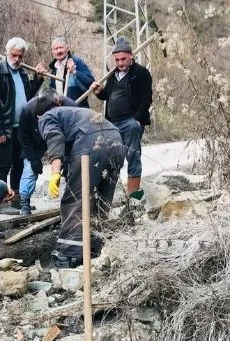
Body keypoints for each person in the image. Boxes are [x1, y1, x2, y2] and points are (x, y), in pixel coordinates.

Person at [30, 90, 125, 269]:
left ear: (38, 115)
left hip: (92, 145)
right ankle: (96, 246)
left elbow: (54, 137)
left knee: (75, 199)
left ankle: (68, 254)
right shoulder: (75, 112)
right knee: (101, 200)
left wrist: (55, 172)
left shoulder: (46, 116)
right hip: (117, 141)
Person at [0, 37, 44, 215]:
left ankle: (15, 199)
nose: (16, 59)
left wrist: (38, 79)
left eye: (20, 56)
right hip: (2, 127)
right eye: (13, 55)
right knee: (3, 165)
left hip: (19, 127)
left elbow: (28, 94)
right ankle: (0, 201)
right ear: (7, 53)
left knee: (18, 163)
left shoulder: (22, 73)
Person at [89, 37, 153, 198]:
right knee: (111, 158)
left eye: (123, 59)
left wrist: (137, 121)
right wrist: (98, 91)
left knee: (133, 155)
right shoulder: (113, 75)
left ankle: (134, 198)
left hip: (131, 123)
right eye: (117, 60)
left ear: (131, 56)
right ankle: (106, 197)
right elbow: (107, 96)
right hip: (112, 123)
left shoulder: (141, 73)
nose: (120, 63)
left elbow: (147, 98)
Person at [17, 89, 77, 216]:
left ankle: (71, 202)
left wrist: (65, 159)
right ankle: (24, 204)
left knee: (71, 168)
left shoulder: (71, 107)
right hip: (35, 139)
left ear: (58, 103)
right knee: (29, 168)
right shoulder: (28, 110)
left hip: (63, 139)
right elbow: (24, 138)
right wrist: (33, 158)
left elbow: (75, 134)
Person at [45, 37, 95, 107]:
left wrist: (74, 71)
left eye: (61, 47)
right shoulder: (54, 68)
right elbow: (53, 90)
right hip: (61, 111)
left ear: (67, 48)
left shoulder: (77, 62)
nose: (59, 51)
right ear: (52, 52)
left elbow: (91, 82)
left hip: (77, 110)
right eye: (56, 49)